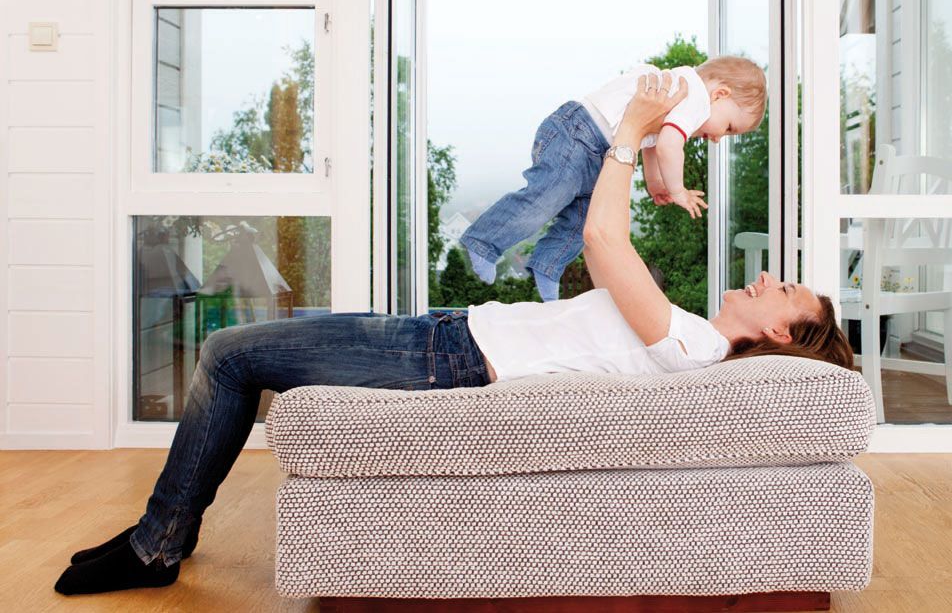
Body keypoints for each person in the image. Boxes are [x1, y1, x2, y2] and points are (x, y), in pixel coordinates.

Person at [54, 70, 853, 596]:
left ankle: (156, 545)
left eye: (779, 289)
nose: (762, 280)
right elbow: (610, 235)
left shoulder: (693, 345)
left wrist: (630, 129)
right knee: (246, 352)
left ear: (783, 332)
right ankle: (161, 537)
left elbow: (605, 245)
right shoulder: (686, 330)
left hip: (444, 358)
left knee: (229, 354)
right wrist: (645, 150)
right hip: (446, 334)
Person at [460, 56, 767, 301]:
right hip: (579, 135)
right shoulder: (695, 97)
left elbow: (649, 142)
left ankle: (547, 265)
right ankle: (483, 241)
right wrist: (678, 190)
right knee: (544, 199)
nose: (718, 139)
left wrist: (655, 184)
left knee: (583, 218)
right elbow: (669, 145)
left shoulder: (678, 89)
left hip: (596, 149)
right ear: (720, 94)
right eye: (728, 128)